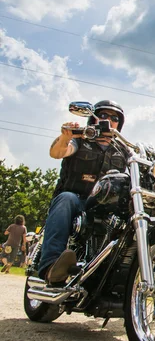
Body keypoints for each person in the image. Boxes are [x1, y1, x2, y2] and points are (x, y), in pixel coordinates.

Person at [38, 100, 127, 285]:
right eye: (103, 115)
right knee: (66, 198)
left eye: (114, 118)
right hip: (76, 201)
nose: (108, 120)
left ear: (120, 123)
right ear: (93, 118)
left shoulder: (123, 150)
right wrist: (65, 136)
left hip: (103, 207)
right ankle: (51, 266)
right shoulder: (80, 140)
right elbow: (57, 152)